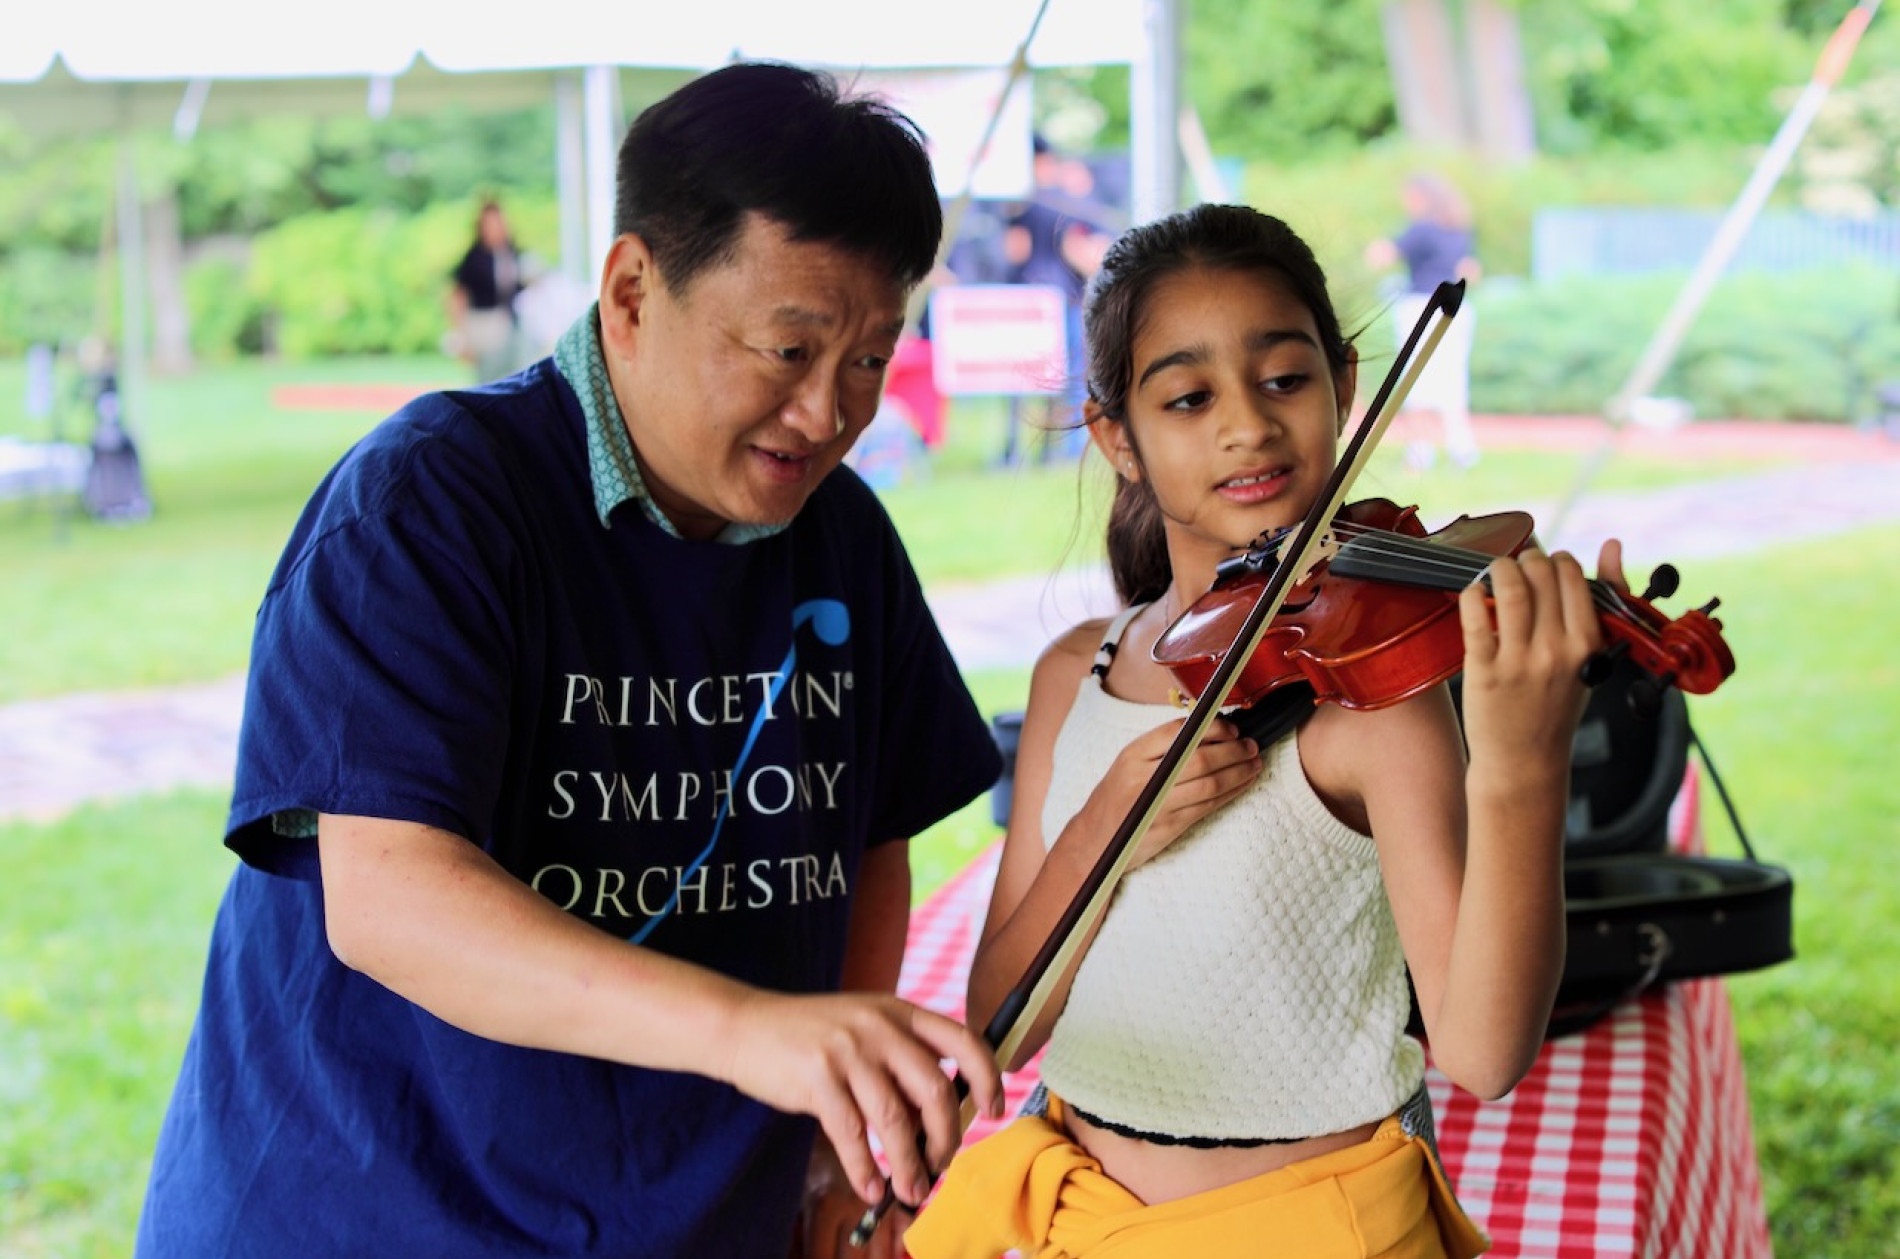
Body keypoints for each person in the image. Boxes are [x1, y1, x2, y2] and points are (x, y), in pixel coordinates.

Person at [134, 61, 1006, 1259]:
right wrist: (752, 1031)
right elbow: (390, 898)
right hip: (370, 1214)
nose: (826, 413)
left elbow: (864, 844)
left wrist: (829, 1141)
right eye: (787, 350)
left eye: (865, 361)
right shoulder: (430, 504)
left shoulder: (842, 539)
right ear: (633, 290)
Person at [904, 204, 1624, 1258]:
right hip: (1087, 1227)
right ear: (1119, 439)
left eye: (1284, 378)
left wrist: (1519, 761)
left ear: (1342, 384)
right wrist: (1109, 824)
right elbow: (999, 1016)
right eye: (1189, 398)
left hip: (1314, 1231)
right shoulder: (1076, 674)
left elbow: (1480, 1049)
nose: (1246, 423)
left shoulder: (1371, 701)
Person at [998, 134, 1111, 466]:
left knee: (1022, 378)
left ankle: (1015, 448)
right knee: (1069, 376)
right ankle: (1067, 448)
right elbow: (1078, 249)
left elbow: (1014, 249)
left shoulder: (1020, 203)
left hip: (1028, 298)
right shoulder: (1067, 201)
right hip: (1065, 297)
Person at [1364, 171, 1483, 470]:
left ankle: (1420, 450)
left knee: (1415, 376)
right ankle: (1461, 447)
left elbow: (1383, 256)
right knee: (1452, 378)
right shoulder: (1457, 229)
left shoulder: (1421, 230)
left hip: (1422, 307)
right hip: (1456, 308)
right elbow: (1469, 270)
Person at [447, 198, 531, 382]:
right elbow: (457, 296)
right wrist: (461, 336)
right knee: (489, 380)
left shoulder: (513, 253)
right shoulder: (473, 259)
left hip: (512, 325)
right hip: (485, 327)